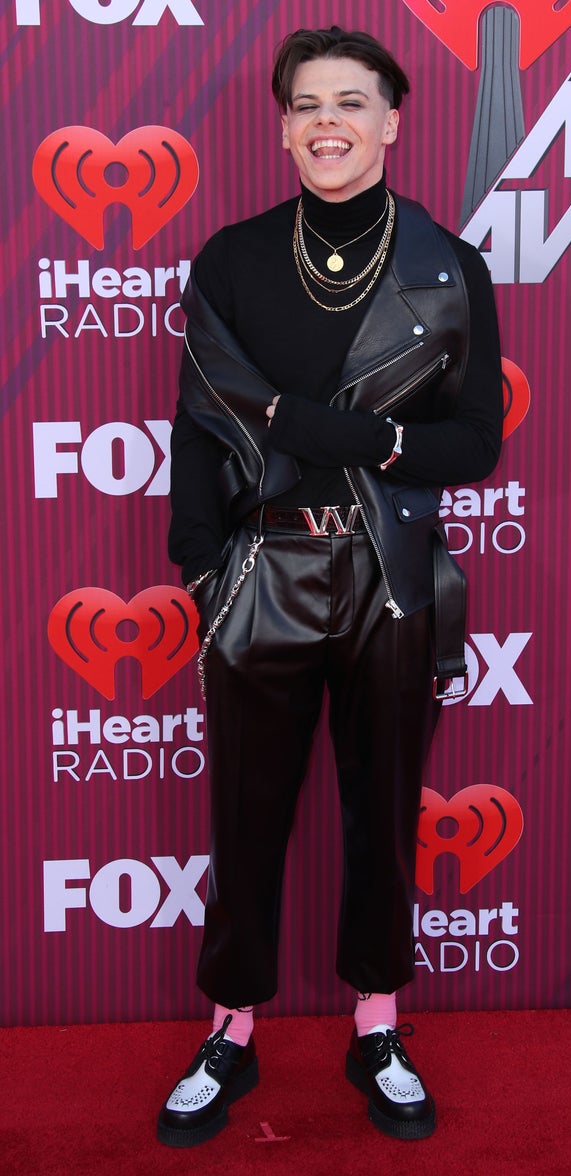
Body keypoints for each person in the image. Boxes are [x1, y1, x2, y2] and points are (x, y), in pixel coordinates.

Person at [158, 25, 503, 1147]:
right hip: (260, 571)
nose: (327, 123)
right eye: (306, 103)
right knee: (246, 819)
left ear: (391, 121)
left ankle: (377, 1021)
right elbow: (199, 432)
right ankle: (231, 1029)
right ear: (284, 123)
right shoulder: (232, 260)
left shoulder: (448, 265)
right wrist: (203, 566)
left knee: (381, 815)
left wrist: (350, 439)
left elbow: (474, 444)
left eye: (350, 102)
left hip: (388, 580)